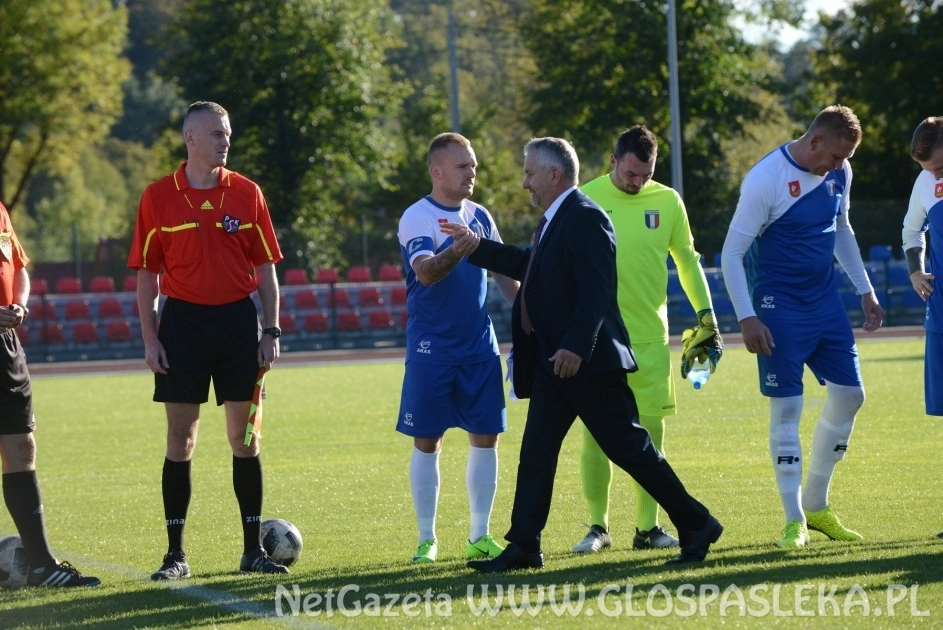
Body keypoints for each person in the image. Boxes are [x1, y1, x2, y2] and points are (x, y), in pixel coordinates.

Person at [443, 137, 722, 572]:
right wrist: (477, 246)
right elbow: (530, 266)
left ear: (554, 175)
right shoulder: (561, 216)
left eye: (530, 173)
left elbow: (597, 291)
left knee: (630, 449)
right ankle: (524, 545)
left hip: (586, 364)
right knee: (537, 453)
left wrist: (575, 346)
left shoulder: (585, 216)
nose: (525, 183)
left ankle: (697, 523)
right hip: (556, 364)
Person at [128, 101, 287, 580]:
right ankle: (175, 556)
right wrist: (151, 339)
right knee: (181, 439)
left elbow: (266, 269)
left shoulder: (247, 193)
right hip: (182, 327)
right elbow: (146, 276)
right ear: (191, 138)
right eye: (217, 134)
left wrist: (271, 329)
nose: (225, 141)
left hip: (238, 324)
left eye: (228, 133)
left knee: (245, 438)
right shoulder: (158, 197)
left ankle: (252, 552)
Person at [721, 105, 883, 549]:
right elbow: (731, 254)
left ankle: (816, 502)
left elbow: (841, 229)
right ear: (815, 142)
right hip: (779, 307)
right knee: (787, 410)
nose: (840, 164)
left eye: (845, 158)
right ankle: (794, 519)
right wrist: (747, 317)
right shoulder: (765, 179)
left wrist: (864, 289)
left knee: (851, 396)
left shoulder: (840, 171)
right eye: (835, 156)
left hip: (826, 303)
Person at [572, 125, 723, 555]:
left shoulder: (668, 201)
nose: (637, 182)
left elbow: (688, 262)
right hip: (599, 340)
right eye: (630, 174)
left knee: (651, 440)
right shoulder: (585, 198)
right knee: (596, 437)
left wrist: (707, 317)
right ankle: (597, 527)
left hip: (651, 340)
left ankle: (648, 529)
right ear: (613, 161)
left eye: (646, 174)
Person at [396, 132, 519, 564]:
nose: (471, 173)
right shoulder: (417, 216)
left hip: (479, 349)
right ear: (437, 170)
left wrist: (531, 319)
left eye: (473, 166)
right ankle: (426, 539)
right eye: (463, 166)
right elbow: (426, 273)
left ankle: (479, 536)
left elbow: (504, 275)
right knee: (427, 441)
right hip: (431, 349)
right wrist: (456, 249)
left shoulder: (480, 215)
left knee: (487, 439)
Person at [0, 201, 101, 587]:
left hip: (6, 346)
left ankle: (42, 567)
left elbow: (19, 269)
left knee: (21, 447)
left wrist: (19, 306)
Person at [900, 116, 943, 537]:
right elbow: (912, 231)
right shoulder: (925, 181)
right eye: (929, 170)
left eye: (940, 168)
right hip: (942, 314)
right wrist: (915, 271)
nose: (934, 176)